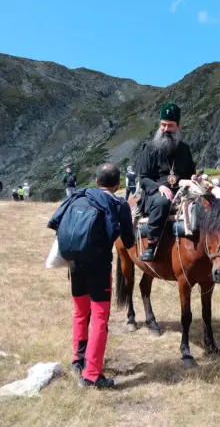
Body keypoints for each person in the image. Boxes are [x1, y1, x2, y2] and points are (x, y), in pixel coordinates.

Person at [47, 163, 135, 388]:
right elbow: (128, 242)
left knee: (80, 312)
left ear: (96, 181)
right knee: (98, 318)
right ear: (117, 185)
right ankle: (92, 375)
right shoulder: (118, 203)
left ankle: (78, 359)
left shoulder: (78, 196)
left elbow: (56, 222)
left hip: (74, 264)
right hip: (99, 267)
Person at [136, 102, 196, 261]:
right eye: (163, 125)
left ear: (178, 127)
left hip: (181, 192)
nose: (165, 129)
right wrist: (159, 187)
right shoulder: (150, 148)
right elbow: (143, 178)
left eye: (170, 126)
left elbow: (191, 174)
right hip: (154, 194)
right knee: (163, 202)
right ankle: (151, 244)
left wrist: (193, 181)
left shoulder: (184, 149)